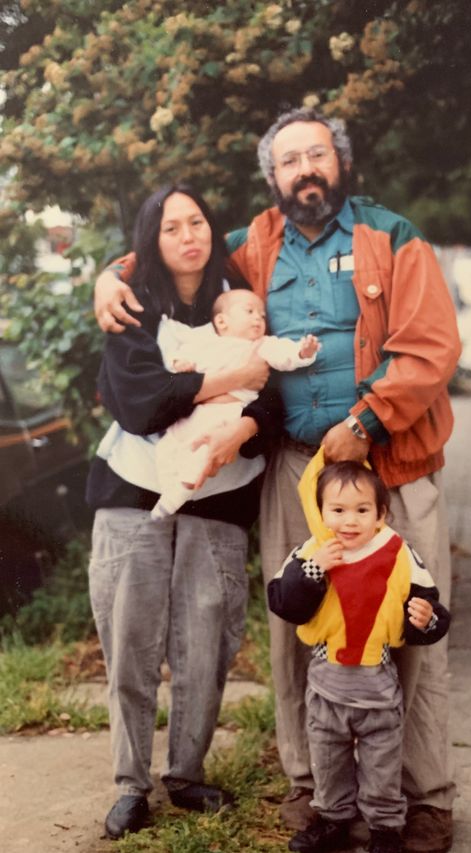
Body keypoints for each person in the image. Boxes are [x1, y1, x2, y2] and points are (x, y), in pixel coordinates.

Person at [94, 107, 462, 853]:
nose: (305, 171)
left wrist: (365, 422)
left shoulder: (392, 237)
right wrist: (108, 277)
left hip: (391, 463)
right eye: (289, 161)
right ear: (272, 178)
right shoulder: (252, 245)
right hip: (297, 469)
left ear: (341, 163)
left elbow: (430, 346)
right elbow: (167, 253)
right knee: (297, 626)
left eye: (316, 155)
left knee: (414, 624)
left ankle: (424, 798)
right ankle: (316, 791)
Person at [86, 183, 279, 840]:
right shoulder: (134, 308)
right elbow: (141, 403)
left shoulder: (249, 305)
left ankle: (187, 772)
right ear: (152, 241)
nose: (188, 235)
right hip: (133, 495)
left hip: (221, 498)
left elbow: (277, 399)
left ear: (212, 229)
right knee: (130, 644)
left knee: (205, 642)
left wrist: (244, 404)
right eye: (170, 227)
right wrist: (232, 379)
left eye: (196, 221)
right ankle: (128, 783)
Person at [268, 456, 451, 853]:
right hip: (326, 683)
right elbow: (283, 603)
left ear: (381, 514)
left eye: (361, 510)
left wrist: (426, 618)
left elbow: (430, 605)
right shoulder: (311, 552)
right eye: (337, 510)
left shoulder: (398, 553)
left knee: (382, 762)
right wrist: (313, 570)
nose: (349, 521)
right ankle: (333, 819)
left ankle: (384, 828)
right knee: (328, 758)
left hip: (377, 687)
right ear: (320, 512)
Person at [151, 289, 319, 518]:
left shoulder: (262, 345)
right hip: (198, 410)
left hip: (228, 412)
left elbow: (285, 355)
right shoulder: (207, 343)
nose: (257, 319)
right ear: (221, 321)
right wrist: (182, 363)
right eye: (249, 312)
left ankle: (176, 496)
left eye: (262, 315)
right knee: (167, 447)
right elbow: (183, 355)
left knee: (202, 453)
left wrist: (302, 351)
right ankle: (168, 487)